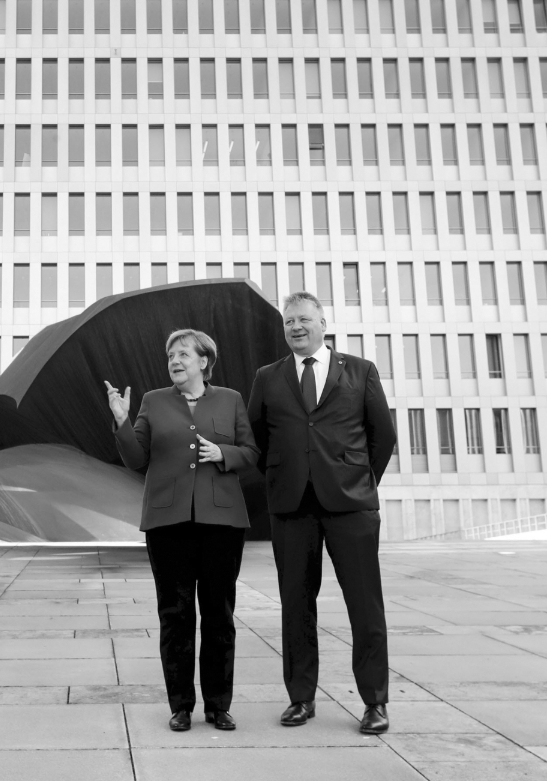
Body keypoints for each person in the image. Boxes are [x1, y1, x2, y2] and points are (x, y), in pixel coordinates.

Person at [247, 291, 397, 734]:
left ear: (323, 324)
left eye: (304, 320)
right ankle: (301, 698)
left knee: (364, 606)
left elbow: (382, 437)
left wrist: (358, 480)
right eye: (289, 321)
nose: (296, 327)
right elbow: (257, 439)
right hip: (292, 509)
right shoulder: (267, 377)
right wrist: (280, 476)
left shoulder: (360, 371)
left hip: (350, 506)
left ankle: (374, 703)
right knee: (295, 605)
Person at [106, 329, 259, 733]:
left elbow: (252, 452)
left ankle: (218, 705)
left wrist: (223, 453)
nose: (175, 360)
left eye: (184, 354)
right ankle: (180, 705)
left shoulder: (230, 400)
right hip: (167, 523)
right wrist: (122, 420)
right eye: (171, 355)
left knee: (219, 615)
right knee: (175, 616)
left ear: (204, 361)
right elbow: (135, 456)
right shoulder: (153, 402)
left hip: (222, 524)